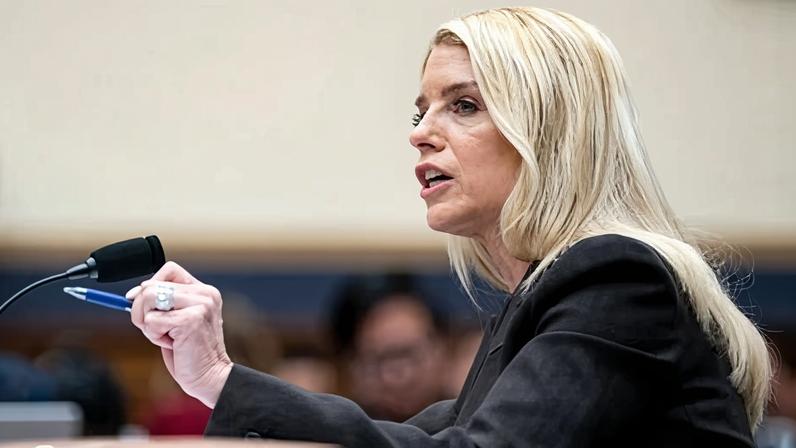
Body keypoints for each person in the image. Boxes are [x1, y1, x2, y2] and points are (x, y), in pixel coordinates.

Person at [126, 7, 772, 447]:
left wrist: (221, 376)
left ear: (550, 134)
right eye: (422, 110)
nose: (421, 133)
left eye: (463, 105)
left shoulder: (616, 281)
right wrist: (216, 376)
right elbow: (421, 438)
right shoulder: (541, 298)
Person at [328, 274, 449, 421]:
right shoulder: (334, 431)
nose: (402, 378)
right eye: (382, 359)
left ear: (441, 348)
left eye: (409, 354)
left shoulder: (470, 426)